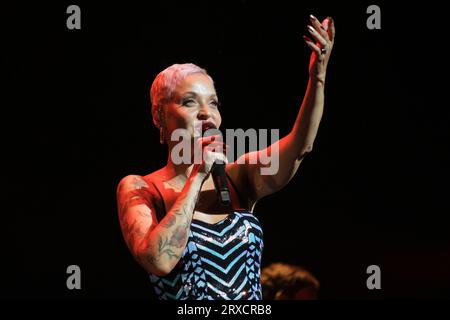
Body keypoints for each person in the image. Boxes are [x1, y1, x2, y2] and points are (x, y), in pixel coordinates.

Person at [116, 15, 335, 300]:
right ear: (160, 117)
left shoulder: (237, 177)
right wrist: (196, 178)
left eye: (214, 103)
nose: (207, 113)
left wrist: (317, 76)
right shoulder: (141, 188)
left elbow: (300, 147)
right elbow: (159, 260)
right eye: (190, 101)